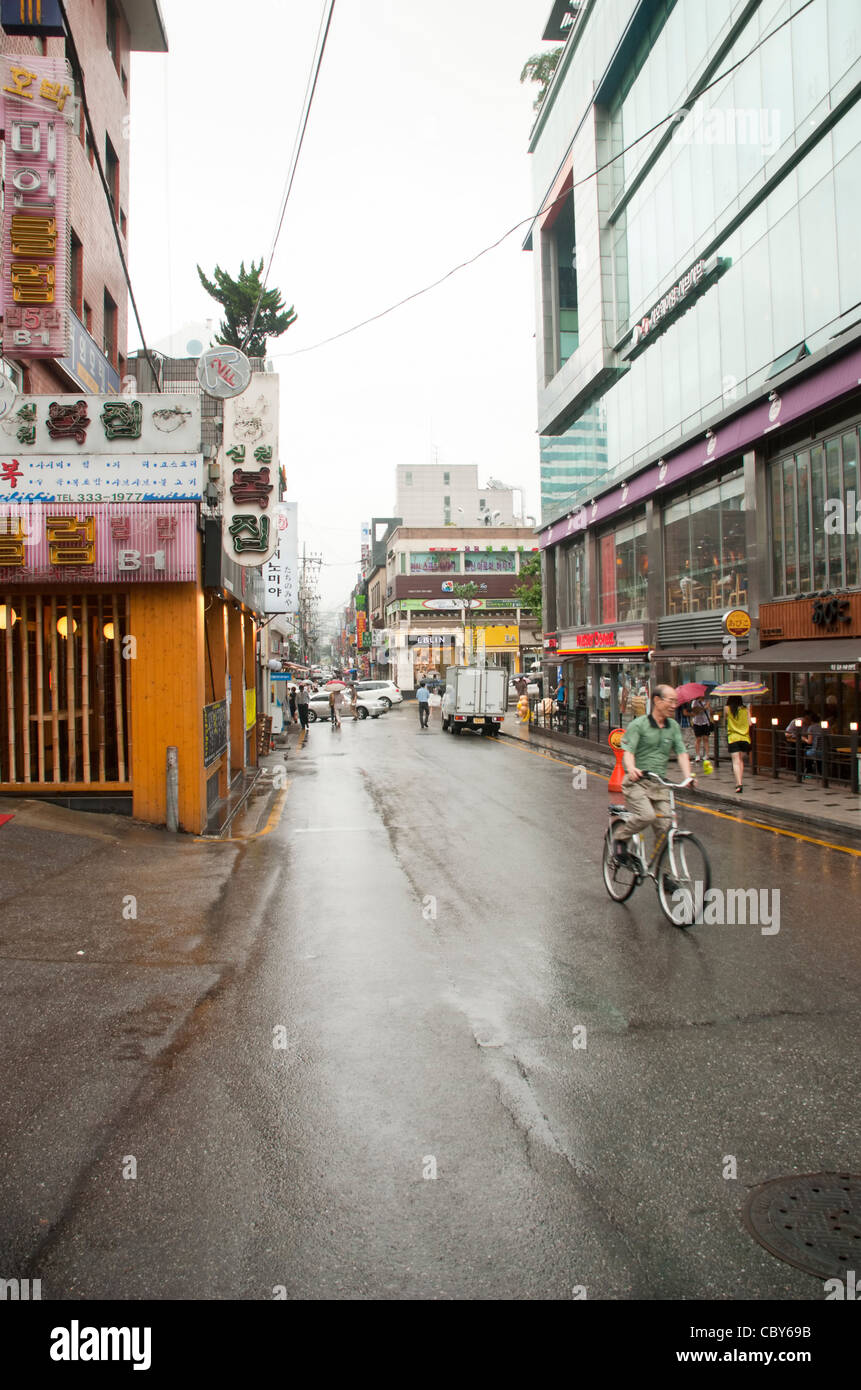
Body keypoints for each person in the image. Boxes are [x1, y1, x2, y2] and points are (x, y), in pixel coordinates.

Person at [613, 685, 695, 864]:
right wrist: (632, 768)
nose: (674, 705)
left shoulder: (673, 726)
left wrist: (688, 776)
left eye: (676, 701)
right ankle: (621, 837)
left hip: (660, 785)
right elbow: (628, 752)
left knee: (665, 828)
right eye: (671, 701)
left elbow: (681, 752)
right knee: (647, 816)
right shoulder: (639, 725)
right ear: (657, 701)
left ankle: (663, 875)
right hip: (638, 783)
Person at [725, 695, 751, 793]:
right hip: (745, 738)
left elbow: (725, 720)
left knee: (736, 761)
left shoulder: (727, 708)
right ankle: (740, 781)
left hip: (733, 738)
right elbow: (750, 723)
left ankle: (739, 783)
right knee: (741, 761)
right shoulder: (746, 709)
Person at [690, 696, 712, 763]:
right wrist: (704, 707)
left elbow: (711, 711)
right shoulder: (694, 702)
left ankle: (707, 755)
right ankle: (697, 755)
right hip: (697, 722)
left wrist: (709, 707)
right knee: (698, 739)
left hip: (705, 722)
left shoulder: (707, 701)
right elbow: (695, 711)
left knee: (706, 738)